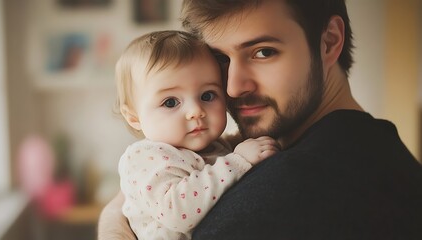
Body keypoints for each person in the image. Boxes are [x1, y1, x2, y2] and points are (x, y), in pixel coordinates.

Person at [99, 0, 422, 239]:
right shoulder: (373, 146)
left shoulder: (294, 187)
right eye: (222, 59)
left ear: (329, 41)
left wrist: (112, 223)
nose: (234, 86)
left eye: (263, 52)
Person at [110, 30, 278, 240]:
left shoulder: (210, 147)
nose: (195, 111)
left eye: (207, 95)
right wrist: (238, 161)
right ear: (134, 117)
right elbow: (177, 212)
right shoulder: (144, 157)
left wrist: (239, 144)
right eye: (170, 102)